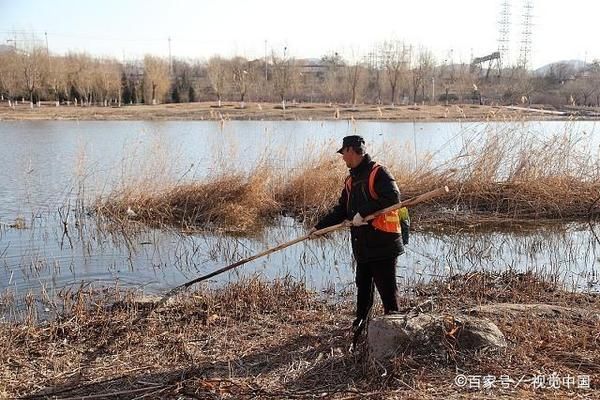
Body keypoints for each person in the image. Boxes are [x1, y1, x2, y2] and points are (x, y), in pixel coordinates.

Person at [310, 135, 403, 335]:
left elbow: (393, 197)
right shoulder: (351, 180)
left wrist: (364, 213)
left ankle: (394, 333)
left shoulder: (379, 172)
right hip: (363, 245)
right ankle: (361, 326)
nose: (342, 157)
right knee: (363, 287)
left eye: (343, 153)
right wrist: (319, 227)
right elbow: (342, 210)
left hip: (383, 243)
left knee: (388, 293)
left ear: (351, 150)